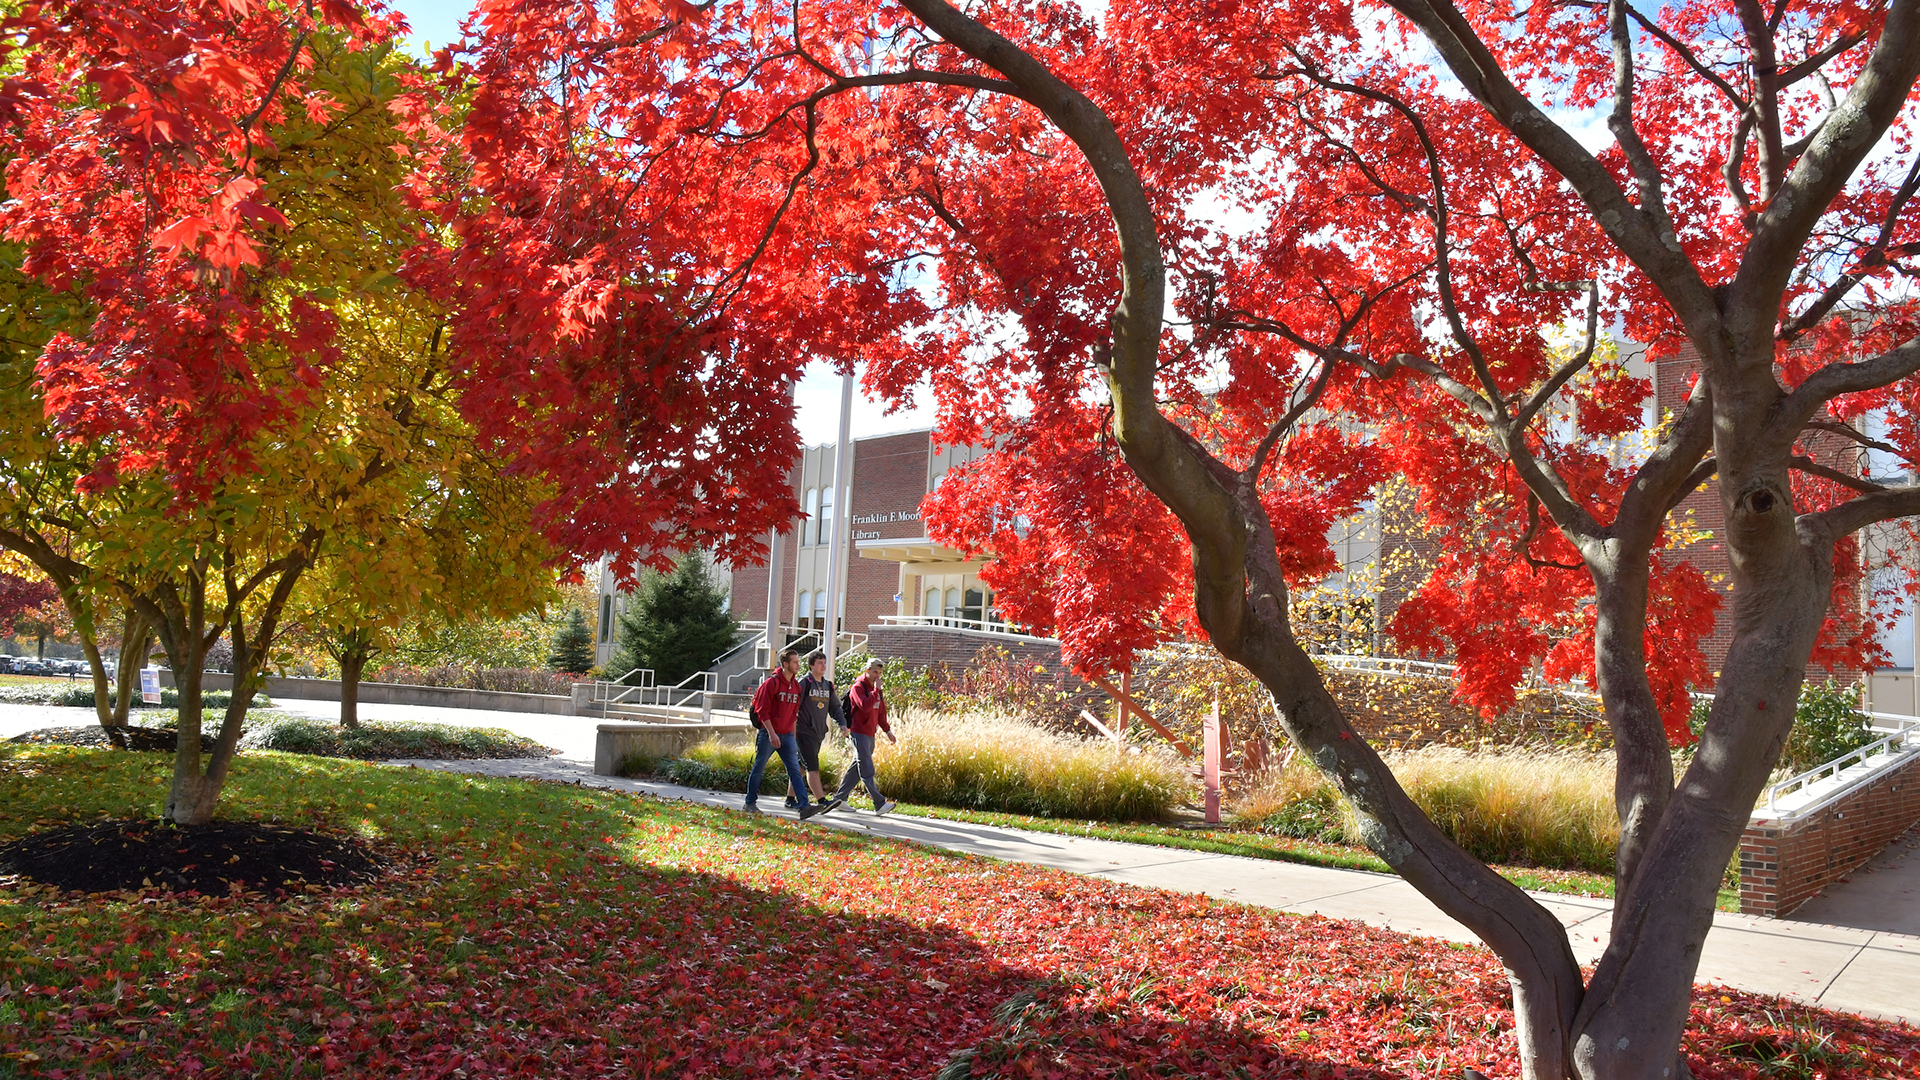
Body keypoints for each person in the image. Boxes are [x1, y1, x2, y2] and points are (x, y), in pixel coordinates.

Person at [745, 648, 821, 819]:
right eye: (795, 662)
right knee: (759, 768)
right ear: (785, 664)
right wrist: (772, 734)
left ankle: (804, 806)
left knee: (795, 770)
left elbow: (794, 714)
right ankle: (749, 802)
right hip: (768, 734)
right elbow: (763, 711)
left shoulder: (795, 686)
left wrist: (792, 736)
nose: (798, 665)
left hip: (787, 736)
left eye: (798, 662)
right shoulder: (771, 683)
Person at [825, 657, 896, 814]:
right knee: (866, 767)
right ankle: (879, 803)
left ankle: (839, 799)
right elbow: (865, 706)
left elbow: (880, 712)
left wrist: (888, 731)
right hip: (858, 732)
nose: (878, 675)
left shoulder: (877, 690)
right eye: (875, 672)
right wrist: (876, 690)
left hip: (870, 733)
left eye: (880, 672)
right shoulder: (858, 687)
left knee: (857, 767)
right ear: (867, 671)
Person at [788, 651, 841, 807]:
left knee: (800, 767)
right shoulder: (805, 683)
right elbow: (794, 707)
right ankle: (822, 801)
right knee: (812, 766)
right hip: (804, 731)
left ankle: (790, 799)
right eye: (820, 662)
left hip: (818, 733)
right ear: (811, 665)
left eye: (824, 662)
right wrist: (793, 729)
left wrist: (842, 723)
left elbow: (835, 708)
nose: (823, 665)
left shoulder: (827, 685)